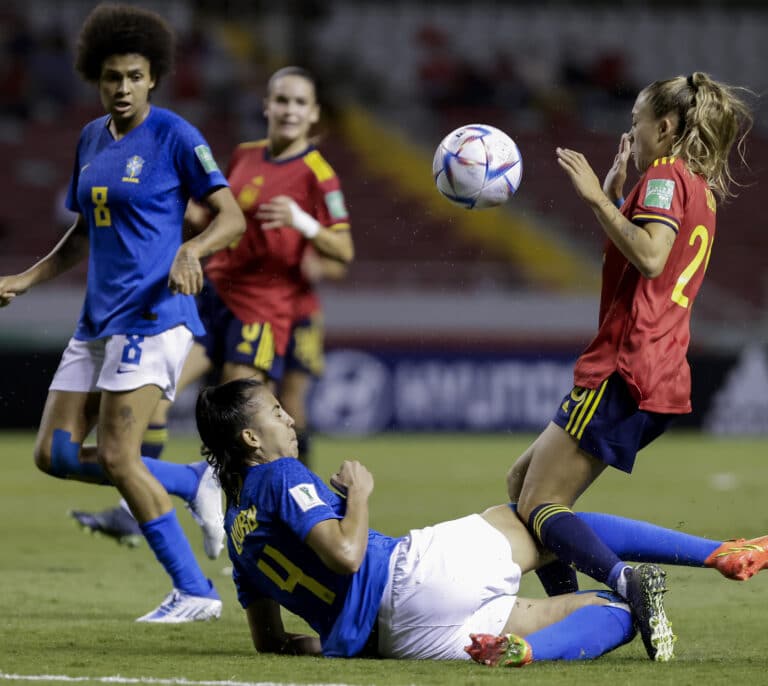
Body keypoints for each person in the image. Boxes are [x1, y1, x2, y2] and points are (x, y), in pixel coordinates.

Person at [195, 377, 768, 665]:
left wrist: (346, 638)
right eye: (274, 413)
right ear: (251, 439)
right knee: (542, 516)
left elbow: (271, 643)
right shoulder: (280, 474)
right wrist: (362, 494)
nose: (288, 418)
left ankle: (524, 652)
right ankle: (719, 552)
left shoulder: (241, 537)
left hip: (396, 641)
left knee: (611, 612)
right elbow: (345, 554)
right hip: (412, 577)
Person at [0, 4, 246, 621]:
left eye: (134, 75)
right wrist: (28, 278)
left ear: (153, 77)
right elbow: (84, 231)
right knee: (53, 454)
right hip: (96, 323)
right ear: (97, 77)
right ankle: (193, 482)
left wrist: (191, 248)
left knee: (117, 457)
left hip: (155, 316)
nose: (123, 87)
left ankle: (196, 591)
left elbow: (232, 216)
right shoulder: (89, 139)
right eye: (112, 77)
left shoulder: (175, 135)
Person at [504, 72, 754, 660]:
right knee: (523, 487)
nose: (631, 132)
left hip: (625, 366)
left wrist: (595, 196)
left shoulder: (666, 177)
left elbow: (649, 256)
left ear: (664, 127)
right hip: (657, 368)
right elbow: (650, 257)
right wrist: (617, 198)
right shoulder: (697, 187)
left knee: (539, 505)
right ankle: (571, 609)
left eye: (637, 121)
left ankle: (625, 585)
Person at [70, 65, 352, 544]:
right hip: (213, 297)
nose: (288, 110)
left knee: (243, 425)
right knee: (158, 393)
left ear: (313, 114)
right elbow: (217, 213)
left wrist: (304, 222)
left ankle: (279, 526)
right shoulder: (244, 156)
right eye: (281, 100)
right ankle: (134, 506)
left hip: (261, 311)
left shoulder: (318, 173)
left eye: (299, 103)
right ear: (266, 105)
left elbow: (343, 251)